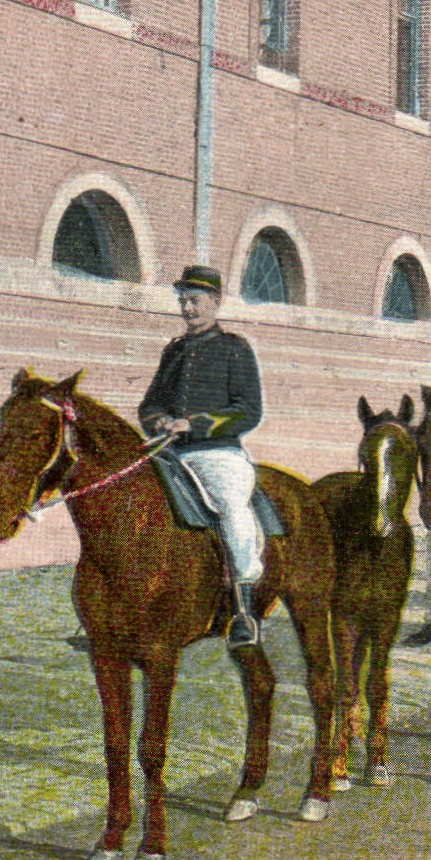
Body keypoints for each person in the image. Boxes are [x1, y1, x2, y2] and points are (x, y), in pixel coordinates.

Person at [139, 265, 266, 650]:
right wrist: (158, 419)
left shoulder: (234, 349)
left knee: (231, 506)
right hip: (171, 454)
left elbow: (249, 410)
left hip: (217, 453)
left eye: (194, 301)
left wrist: (193, 424)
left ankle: (243, 609)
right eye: (183, 301)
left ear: (215, 302)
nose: (187, 309)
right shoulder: (173, 351)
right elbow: (149, 403)